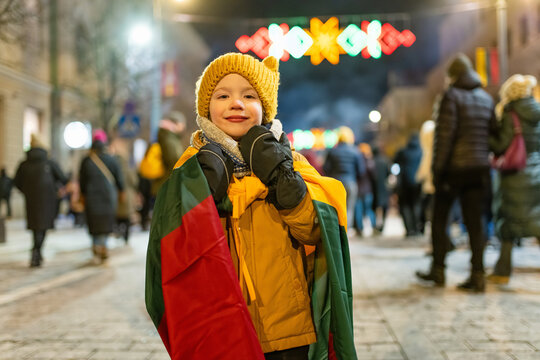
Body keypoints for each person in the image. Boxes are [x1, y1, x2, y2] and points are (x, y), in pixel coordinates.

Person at [145, 53, 356, 360]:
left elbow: (315, 231)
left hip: (288, 330)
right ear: (206, 106)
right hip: (218, 329)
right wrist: (199, 195)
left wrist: (285, 182)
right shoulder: (191, 167)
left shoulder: (291, 162)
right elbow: (174, 252)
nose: (236, 103)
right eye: (222, 95)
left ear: (265, 107)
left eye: (249, 95)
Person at [416, 53, 497, 292]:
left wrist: (437, 172)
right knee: (475, 223)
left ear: (452, 75)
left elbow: (444, 138)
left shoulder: (450, 96)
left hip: (454, 170)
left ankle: (438, 270)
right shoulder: (485, 97)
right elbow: (493, 135)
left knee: (439, 219)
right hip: (479, 169)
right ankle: (478, 274)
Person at [487, 74, 540, 285]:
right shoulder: (536, 112)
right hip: (536, 173)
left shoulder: (510, 114)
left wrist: (489, 135)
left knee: (508, 221)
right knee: (536, 220)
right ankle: (502, 268)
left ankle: (502, 270)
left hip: (514, 176)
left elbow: (501, 146)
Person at [14, 133, 68, 267]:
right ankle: (37, 251)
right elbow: (63, 178)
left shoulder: (24, 163)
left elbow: (16, 182)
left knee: (34, 226)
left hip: (31, 199)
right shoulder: (49, 162)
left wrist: (26, 191)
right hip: (47, 199)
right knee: (42, 226)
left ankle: (36, 252)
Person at [79, 130, 124, 262]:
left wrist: (82, 195)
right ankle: (103, 244)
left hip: (91, 196)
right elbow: (119, 178)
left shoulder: (86, 160)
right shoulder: (112, 159)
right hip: (108, 196)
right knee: (105, 220)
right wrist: (122, 191)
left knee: (93, 221)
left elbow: (82, 181)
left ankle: (96, 244)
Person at [323, 126, 365, 232]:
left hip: (336, 183)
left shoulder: (332, 151)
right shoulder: (356, 151)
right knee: (349, 208)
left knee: (336, 209)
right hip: (351, 182)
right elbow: (361, 171)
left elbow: (325, 168)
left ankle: (336, 232)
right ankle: (346, 230)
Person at [150, 111, 186, 197]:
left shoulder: (166, 136)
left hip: (162, 185)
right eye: (182, 124)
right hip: (166, 187)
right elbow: (174, 161)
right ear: (176, 124)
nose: (183, 127)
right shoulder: (169, 138)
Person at [394, 133, 422, 237]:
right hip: (417, 183)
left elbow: (395, 163)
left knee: (405, 206)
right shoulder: (421, 152)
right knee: (416, 205)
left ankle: (409, 230)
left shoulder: (403, 152)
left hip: (404, 183)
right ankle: (416, 229)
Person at [354, 143, 376, 236]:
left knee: (358, 209)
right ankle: (374, 227)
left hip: (358, 189)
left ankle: (360, 229)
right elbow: (374, 176)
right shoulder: (369, 161)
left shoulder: (356, 161)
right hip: (368, 189)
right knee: (368, 209)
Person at [371, 146, 390, 233]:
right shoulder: (385, 160)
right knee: (384, 206)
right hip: (383, 186)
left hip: (373, 187)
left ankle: (375, 225)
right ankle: (382, 224)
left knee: (374, 207)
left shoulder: (372, 161)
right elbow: (389, 173)